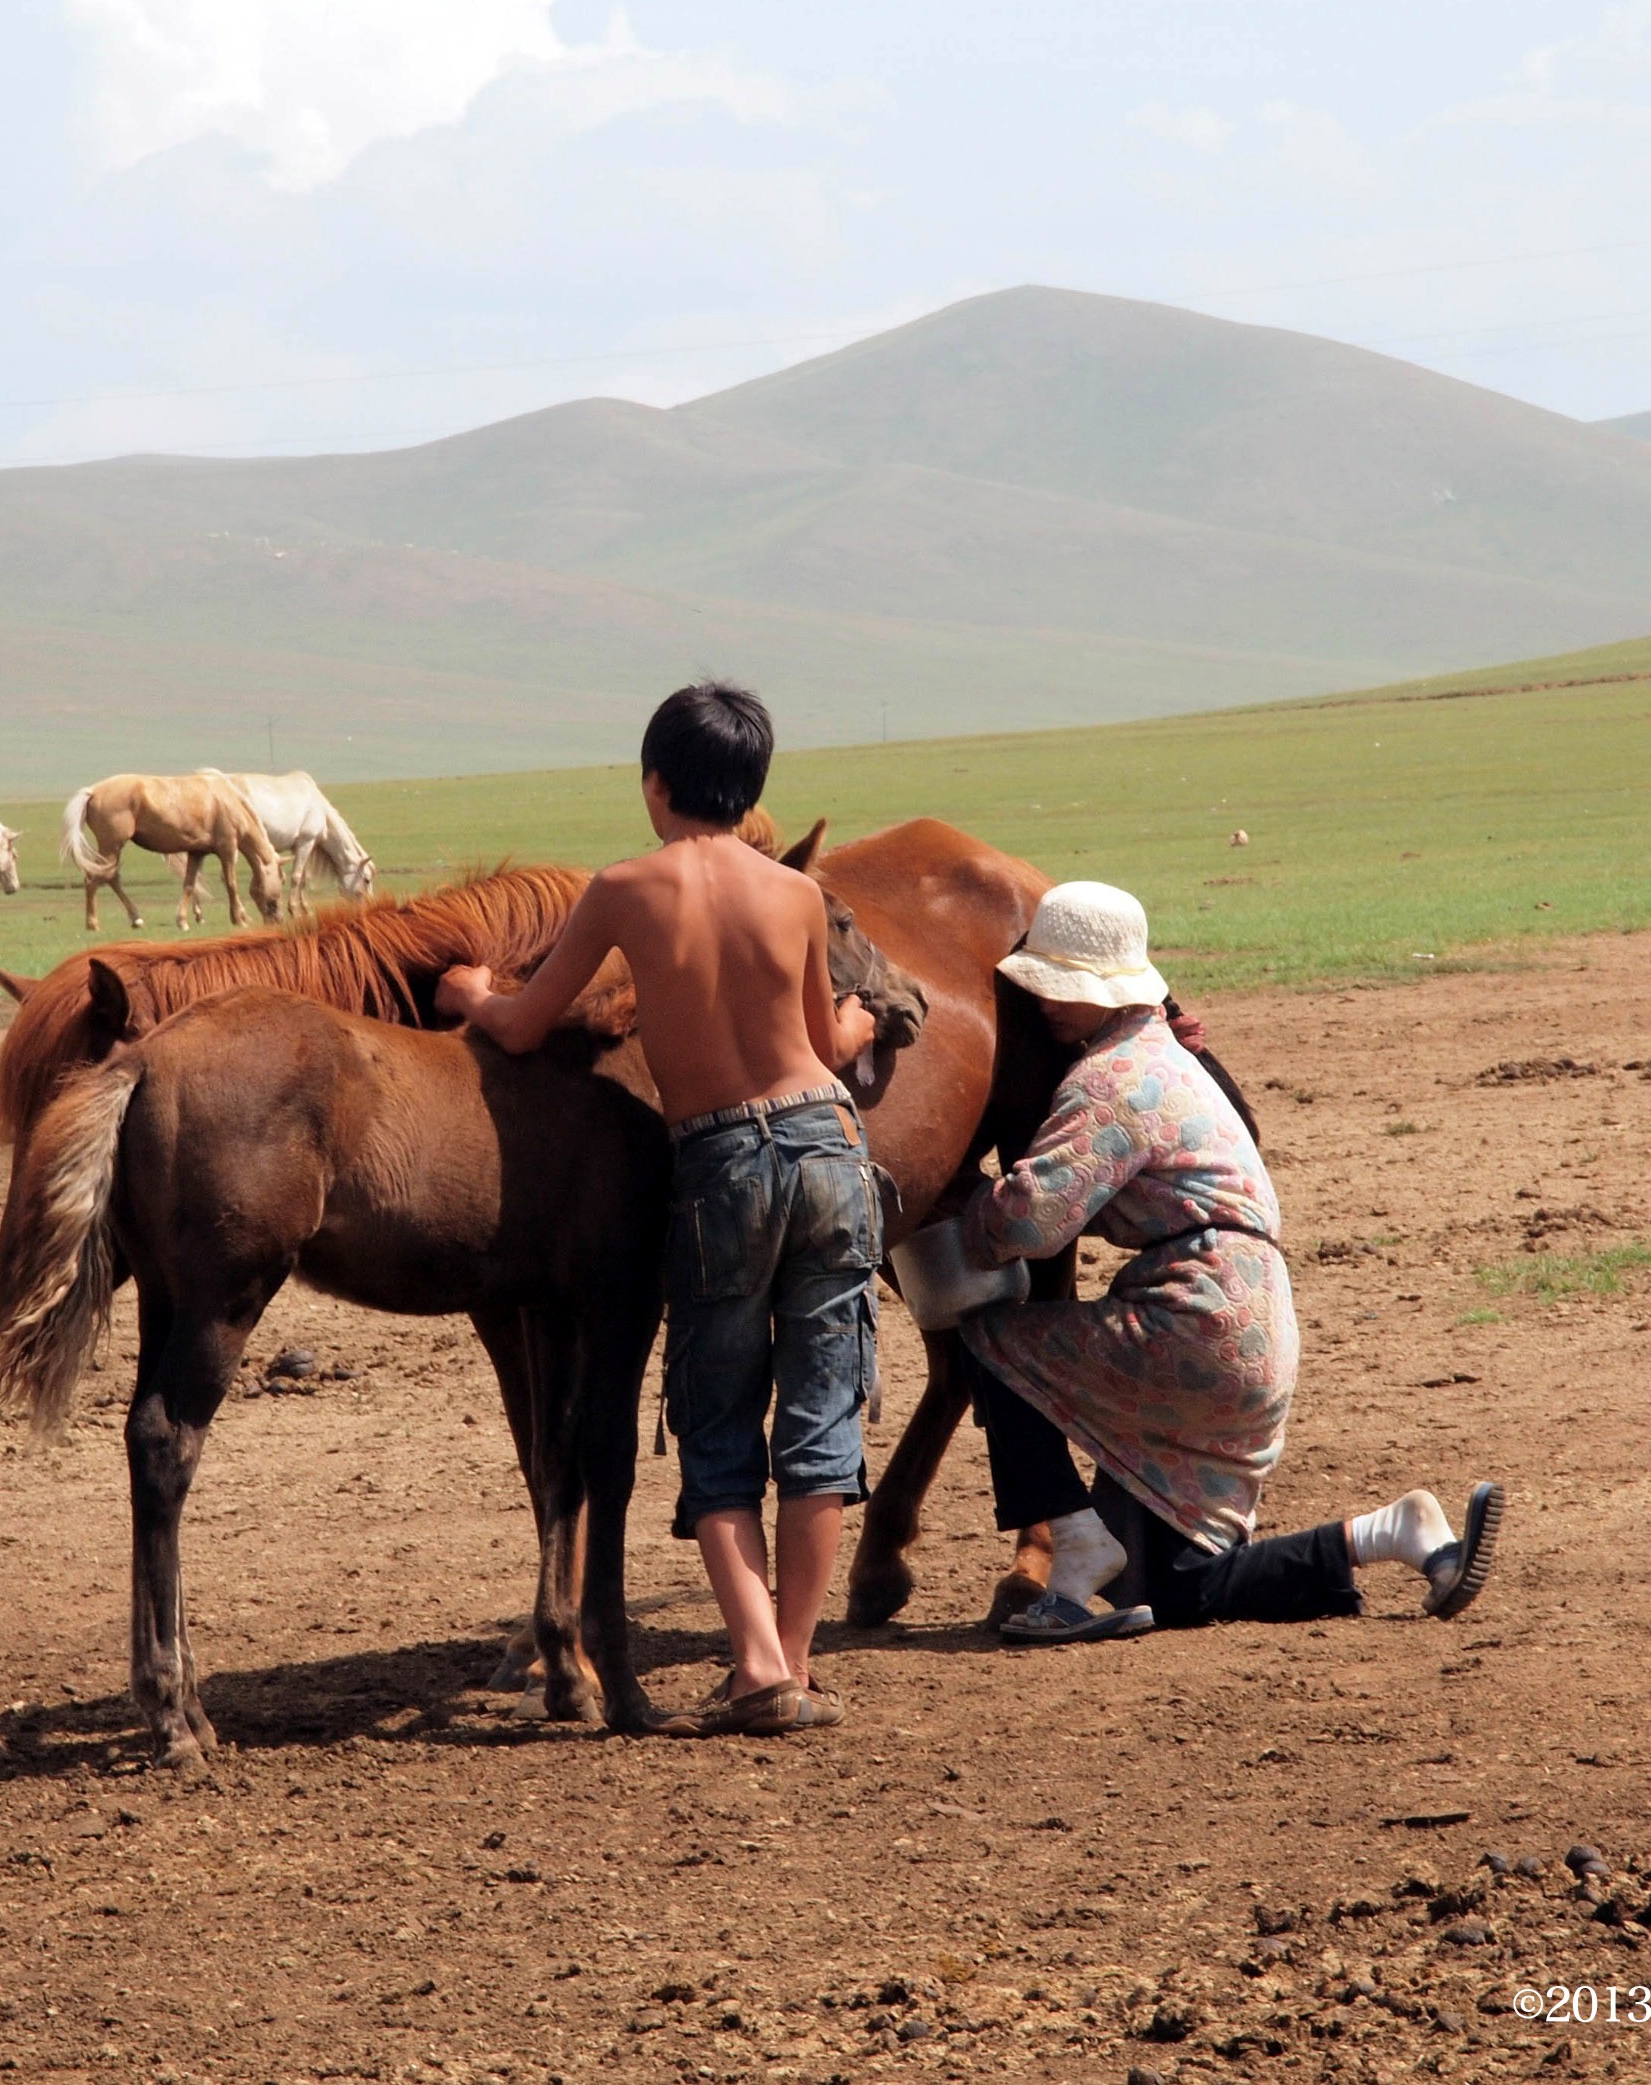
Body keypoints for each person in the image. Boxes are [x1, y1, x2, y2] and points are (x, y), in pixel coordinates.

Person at [437, 680, 881, 1734]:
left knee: (717, 1417)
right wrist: (863, 1025)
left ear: (654, 785)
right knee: (822, 1415)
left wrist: (468, 993)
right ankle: (791, 1664)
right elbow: (824, 1045)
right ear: (752, 789)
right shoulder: (795, 894)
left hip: (723, 1161)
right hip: (829, 1147)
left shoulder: (626, 889)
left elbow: (526, 1023)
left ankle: (759, 1665)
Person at [953, 880, 1503, 1644]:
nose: (1042, 1001)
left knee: (989, 1342)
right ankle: (1399, 1532)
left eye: (1055, 984)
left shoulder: (1112, 1078)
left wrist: (961, 1200)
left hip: (1195, 1318)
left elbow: (1028, 1221)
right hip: (1255, 1328)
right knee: (1179, 1586)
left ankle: (1073, 1549)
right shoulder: (1170, 1060)